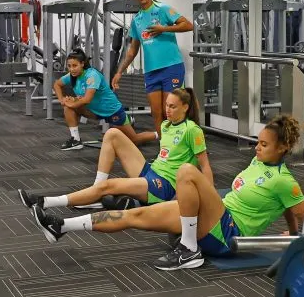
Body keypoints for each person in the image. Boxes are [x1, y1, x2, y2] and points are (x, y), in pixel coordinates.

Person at [34, 115, 304, 271]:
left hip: (228, 233)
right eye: (258, 142)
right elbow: (284, 208)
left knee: (187, 172)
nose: (257, 148)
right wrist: (291, 230)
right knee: (136, 214)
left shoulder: (286, 181)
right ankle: (62, 226)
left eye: (263, 145)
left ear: (283, 147)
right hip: (212, 219)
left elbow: (300, 211)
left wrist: (297, 235)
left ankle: (189, 250)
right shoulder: (258, 162)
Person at [19, 87, 211, 212]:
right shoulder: (167, 126)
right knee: (112, 134)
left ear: (185, 107)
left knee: (109, 186)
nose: (167, 110)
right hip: (152, 171)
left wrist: (210, 198)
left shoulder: (192, 130)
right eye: (167, 105)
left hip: (164, 186)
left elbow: (205, 166)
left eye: (173, 107)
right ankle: (97, 190)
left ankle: (45, 201)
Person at [111, 0, 194, 135]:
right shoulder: (137, 19)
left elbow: (188, 25)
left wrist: (164, 28)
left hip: (171, 67)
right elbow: (133, 49)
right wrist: (119, 71)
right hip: (151, 71)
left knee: (170, 112)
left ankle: (177, 148)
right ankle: (164, 149)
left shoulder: (162, 9)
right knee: (156, 114)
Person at [55, 48, 157, 150]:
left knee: (134, 140)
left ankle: (160, 135)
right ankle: (76, 140)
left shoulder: (91, 76)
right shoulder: (72, 75)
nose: (72, 69)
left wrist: (71, 103)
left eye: (74, 66)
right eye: (69, 66)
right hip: (94, 111)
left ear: (82, 64)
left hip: (112, 111)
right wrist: (62, 100)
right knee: (68, 108)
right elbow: (57, 84)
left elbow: (87, 99)